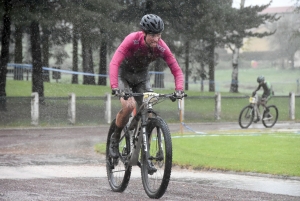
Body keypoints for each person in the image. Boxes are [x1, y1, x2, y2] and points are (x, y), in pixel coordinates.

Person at [108, 14, 184, 158]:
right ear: (144, 33)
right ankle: (115, 138)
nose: (156, 39)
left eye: (159, 35)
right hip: (123, 75)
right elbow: (114, 62)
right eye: (153, 35)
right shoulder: (132, 39)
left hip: (141, 78)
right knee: (129, 106)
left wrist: (179, 90)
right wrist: (115, 86)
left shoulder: (161, 46)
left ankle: (145, 149)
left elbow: (176, 70)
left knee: (148, 110)